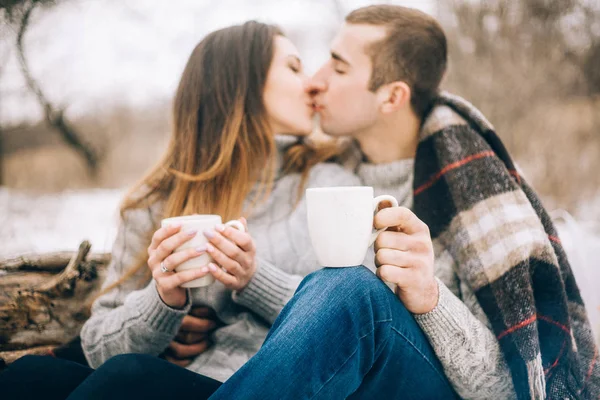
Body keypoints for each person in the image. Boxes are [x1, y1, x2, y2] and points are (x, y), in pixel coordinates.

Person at [72, 5, 598, 399]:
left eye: (336, 68)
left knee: (346, 287)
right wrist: (163, 310)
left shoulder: (456, 191)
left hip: (413, 381)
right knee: (95, 376)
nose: (317, 82)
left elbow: (505, 380)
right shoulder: (328, 175)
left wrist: (430, 296)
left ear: (391, 96)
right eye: (305, 66)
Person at [0, 19, 457, 400]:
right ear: (242, 83)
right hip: (191, 379)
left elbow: (349, 315)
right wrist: (162, 301)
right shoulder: (156, 203)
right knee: (28, 380)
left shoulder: (327, 182)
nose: (313, 84)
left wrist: (253, 279)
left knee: (129, 380)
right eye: (295, 68)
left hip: (271, 385)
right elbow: (98, 343)